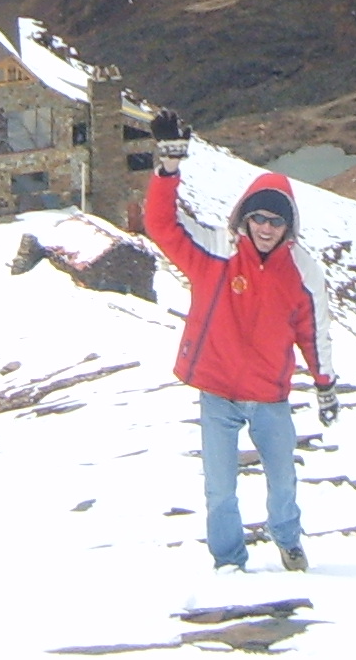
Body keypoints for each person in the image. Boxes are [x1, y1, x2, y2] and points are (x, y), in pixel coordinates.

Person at [141, 117, 336, 574]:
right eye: (260, 218)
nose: (267, 228)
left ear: (289, 226)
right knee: (219, 489)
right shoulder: (215, 252)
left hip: (270, 396)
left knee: (283, 481)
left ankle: (288, 542)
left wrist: (324, 383)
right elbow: (161, 224)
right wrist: (168, 167)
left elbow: (314, 332)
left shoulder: (303, 271)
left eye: (276, 220)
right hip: (218, 393)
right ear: (244, 217)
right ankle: (229, 562)